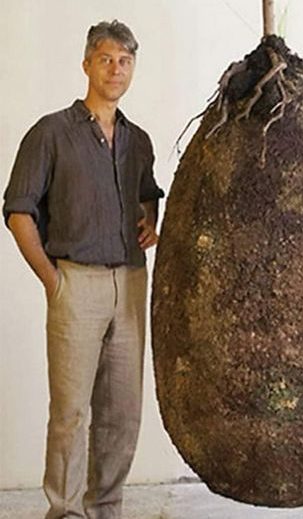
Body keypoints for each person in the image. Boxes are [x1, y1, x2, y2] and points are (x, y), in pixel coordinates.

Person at [3, 20, 164, 519]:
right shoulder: (51, 132)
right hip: (76, 282)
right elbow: (18, 211)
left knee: (123, 414)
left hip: (131, 284)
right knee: (71, 413)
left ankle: (105, 507)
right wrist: (53, 281)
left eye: (125, 61)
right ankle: (65, 512)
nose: (116, 70)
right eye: (107, 59)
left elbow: (147, 196)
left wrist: (150, 222)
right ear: (87, 64)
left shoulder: (138, 140)